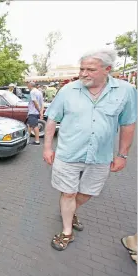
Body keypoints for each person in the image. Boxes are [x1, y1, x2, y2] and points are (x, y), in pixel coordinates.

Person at [43, 49, 137, 251]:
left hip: (100, 156)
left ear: (107, 69)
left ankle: (70, 210)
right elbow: (52, 120)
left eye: (90, 69)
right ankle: (67, 231)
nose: (83, 73)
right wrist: (48, 147)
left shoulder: (126, 91)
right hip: (68, 153)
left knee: (88, 192)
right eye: (82, 68)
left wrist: (122, 155)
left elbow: (128, 124)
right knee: (67, 193)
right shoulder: (68, 90)